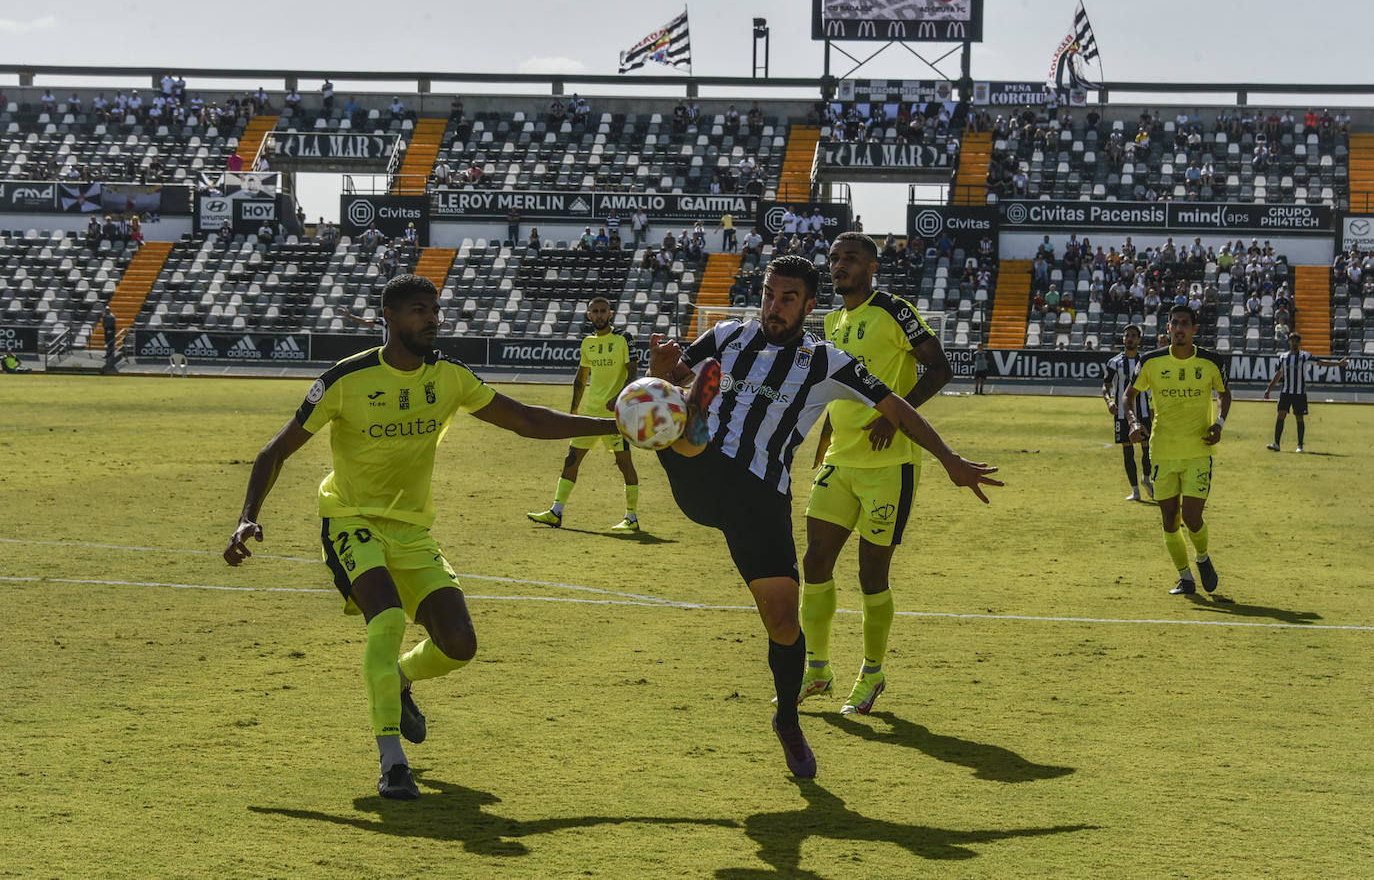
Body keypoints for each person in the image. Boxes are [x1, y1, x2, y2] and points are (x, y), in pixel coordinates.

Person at [223, 275, 621, 801]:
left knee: (459, 645)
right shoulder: (347, 378)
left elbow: (525, 419)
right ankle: (392, 762)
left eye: (434, 309)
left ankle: (401, 679)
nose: (431, 318)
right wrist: (247, 517)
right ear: (388, 315)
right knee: (386, 618)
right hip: (349, 519)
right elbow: (273, 452)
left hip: (411, 530)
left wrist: (612, 425)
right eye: (417, 310)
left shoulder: (451, 377)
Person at [646, 255, 1001, 778]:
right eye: (769, 294)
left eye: (788, 299)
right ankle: (678, 419)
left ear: (810, 306)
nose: (774, 306)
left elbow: (895, 407)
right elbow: (674, 371)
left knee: (785, 624)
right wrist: (666, 374)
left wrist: (948, 459)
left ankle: (787, 719)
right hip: (701, 476)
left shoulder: (826, 362)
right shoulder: (724, 337)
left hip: (759, 497)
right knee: (666, 407)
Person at [799, 233, 954, 718]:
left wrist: (895, 415)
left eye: (851, 259)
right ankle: (818, 668)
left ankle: (871, 673)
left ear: (872, 267)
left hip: (890, 465)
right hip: (840, 459)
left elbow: (940, 368)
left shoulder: (893, 310)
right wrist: (825, 438)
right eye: (834, 259)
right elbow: (836, 388)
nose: (839, 266)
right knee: (815, 561)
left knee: (871, 574)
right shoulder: (830, 320)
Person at [1122, 305, 1230, 596]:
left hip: (1198, 450)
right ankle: (1185, 577)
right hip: (1162, 451)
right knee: (1169, 520)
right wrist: (1132, 421)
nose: (1179, 328)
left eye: (1185, 323)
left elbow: (1224, 393)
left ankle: (1203, 557)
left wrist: (1218, 424)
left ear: (1194, 329)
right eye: (1175, 323)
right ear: (1168, 329)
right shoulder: (1150, 361)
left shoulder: (1211, 361)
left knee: (1193, 517)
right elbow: (1128, 396)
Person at [528, 298, 640, 532]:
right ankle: (556, 512)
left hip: (615, 416)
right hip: (589, 415)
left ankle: (631, 517)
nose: (599, 315)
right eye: (594, 312)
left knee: (623, 463)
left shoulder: (624, 339)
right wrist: (573, 410)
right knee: (571, 459)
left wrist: (617, 399)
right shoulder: (587, 343)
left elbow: (633, 376)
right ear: (589, 315)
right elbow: (580, 378)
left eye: (603, 311)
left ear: (610, 314)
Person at [1263, 333, 1348, 453]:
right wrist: (1269, 389)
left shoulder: (1305, 356)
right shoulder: (1283, 357)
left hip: (1299, 393)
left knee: (1299, 418)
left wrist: (1338, 364)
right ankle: (1276, 443)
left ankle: (1300, 446)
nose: (1294, 343)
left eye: (1297, 341)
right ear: (1289, 342)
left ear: (1299, 343)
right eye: (1292, 340)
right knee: (1281, 415)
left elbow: (1320, 362)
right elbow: (1278, 374)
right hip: (1286, 392)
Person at [1102, 324, 1154, 501]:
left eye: (1133, 336)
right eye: (1127, 336)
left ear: (1139, 340)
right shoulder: (1114, 362)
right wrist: (1109, 401)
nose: (1130, 339)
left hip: (1144, 412)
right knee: (1127, 450)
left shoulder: (1146, 361)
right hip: (1122, 414)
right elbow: (1106, 385)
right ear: (1123, 339)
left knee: (1147, 449)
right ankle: (1135, 490)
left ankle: (1146, 480)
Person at [101, 305, 117, 370]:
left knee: (109, 343)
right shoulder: (111, 316)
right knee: (109, 343)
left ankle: (109, 354)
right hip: (110, 331)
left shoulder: (108, 316)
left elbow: (105, 324)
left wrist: (108, 330)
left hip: (109, 331)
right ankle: (109, 354)